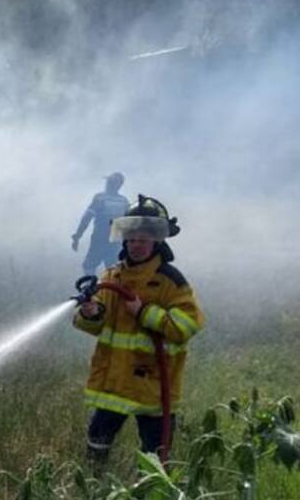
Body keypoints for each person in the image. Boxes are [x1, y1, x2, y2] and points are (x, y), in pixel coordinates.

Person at [72, 195, 204, 470]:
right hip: (115, 382)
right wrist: (91, 313)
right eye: (131, 238)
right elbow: (99, 323)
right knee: (97, 440)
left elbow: (186, 326)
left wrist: (145, 312)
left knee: (155, 455)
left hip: (154, 385)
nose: (136, 245)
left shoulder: (171, 282)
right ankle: (94, 489)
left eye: (143, 239)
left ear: (157, 241)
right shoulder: (112, 277)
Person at [72, 172, 129, 275]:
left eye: (109, 182)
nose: (107, 184)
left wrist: (77, 235)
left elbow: (87, 217)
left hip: (100, 237)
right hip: (116, 239)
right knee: (113, 267)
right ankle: (114, 288)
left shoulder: (100, 198)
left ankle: (90, 288)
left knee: (89, 265)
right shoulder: (124, 201)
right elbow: (128, 222)